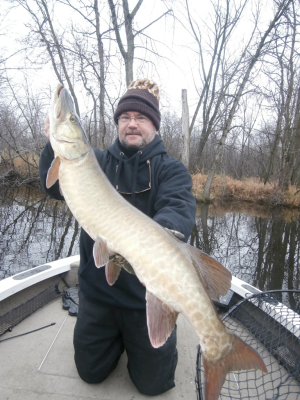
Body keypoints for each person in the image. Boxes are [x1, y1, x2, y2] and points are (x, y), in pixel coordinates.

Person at [39, 78, 196, 396]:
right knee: (90, 373)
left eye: (141, 118)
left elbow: (177, 212)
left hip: (146, 301)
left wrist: (147, 238)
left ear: (154, 125)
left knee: (153, 385)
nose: (132, 124)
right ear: (118, 124)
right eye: (125, 117)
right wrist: (52, 143)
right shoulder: (91, 161)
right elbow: (52, 185)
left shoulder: (172, 171)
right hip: (99, 296)